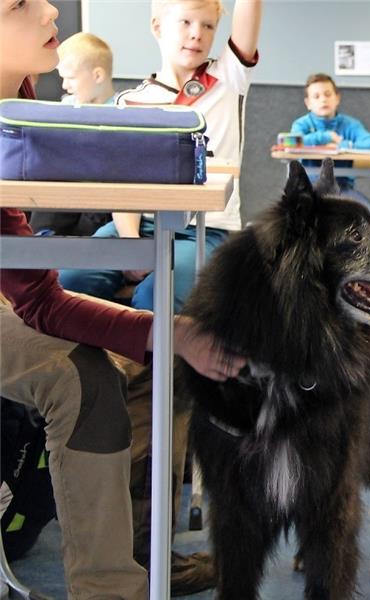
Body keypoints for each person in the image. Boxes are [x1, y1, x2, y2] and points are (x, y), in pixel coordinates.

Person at [0, 1, 246, 597]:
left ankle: (138, 555)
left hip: (35, 286)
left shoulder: (22, 98)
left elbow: (34, 293)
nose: (49, 9)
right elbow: (40, 299)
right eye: (20, 3)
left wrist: (168, 333)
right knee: (92, 367)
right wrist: (166, 331)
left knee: (134, 359)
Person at [59, 0, 262, 314]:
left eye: (208, 25)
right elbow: (122, 184)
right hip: (141, 225)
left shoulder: (228, 78)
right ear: (157, 27)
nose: (197, 33)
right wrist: (130, 243)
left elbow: (249, 11)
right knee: (70, 279)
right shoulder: (130, 102)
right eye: (186, 22)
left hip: (207, 230)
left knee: (157, 297)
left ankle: (149, 347)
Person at [29, 32, 117, 238]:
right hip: (64, 187)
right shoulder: (67, 107)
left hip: (99, 195)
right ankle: (41, 239)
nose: (64, 86)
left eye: (70, 78)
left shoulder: (119, 111)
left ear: (97, 76)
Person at [290, 73, 370, 210]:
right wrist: (326, 137)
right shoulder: (301, 124)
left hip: (342, 188)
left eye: (328, 94)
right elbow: (291, 142)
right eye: (316, 96)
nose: (323, 100)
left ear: (337, 98)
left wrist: (342, 146)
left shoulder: (350, 125)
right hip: (308, 188)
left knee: (366, 210)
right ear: (308, 103)